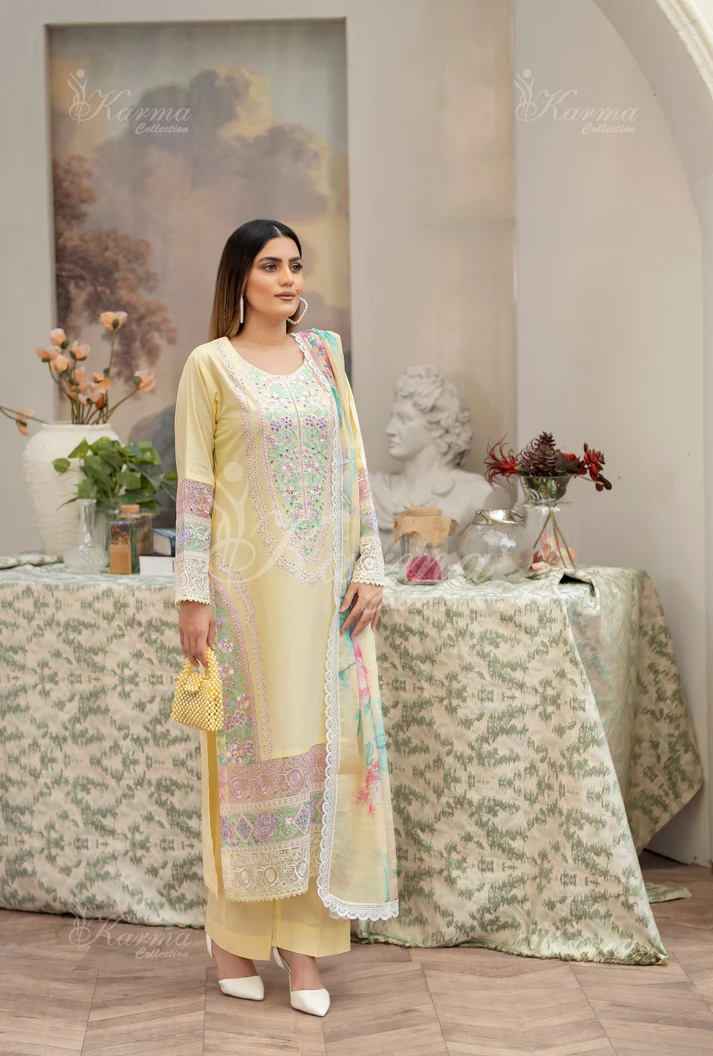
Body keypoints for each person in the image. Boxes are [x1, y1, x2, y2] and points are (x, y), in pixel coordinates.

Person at [174, 218, 399, 1017]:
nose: (287, 278)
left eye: (295, 265)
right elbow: (194, 487)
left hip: (325, 598)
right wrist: (191, 595)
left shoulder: (324, 358)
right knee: (247, 769)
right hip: (245, 599)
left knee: (319, 766)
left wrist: (370, 565)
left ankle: (303, 949)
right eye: (270, 265)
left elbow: (356, 467)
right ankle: (233, 938)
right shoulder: (210, 365)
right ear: (239, 277)